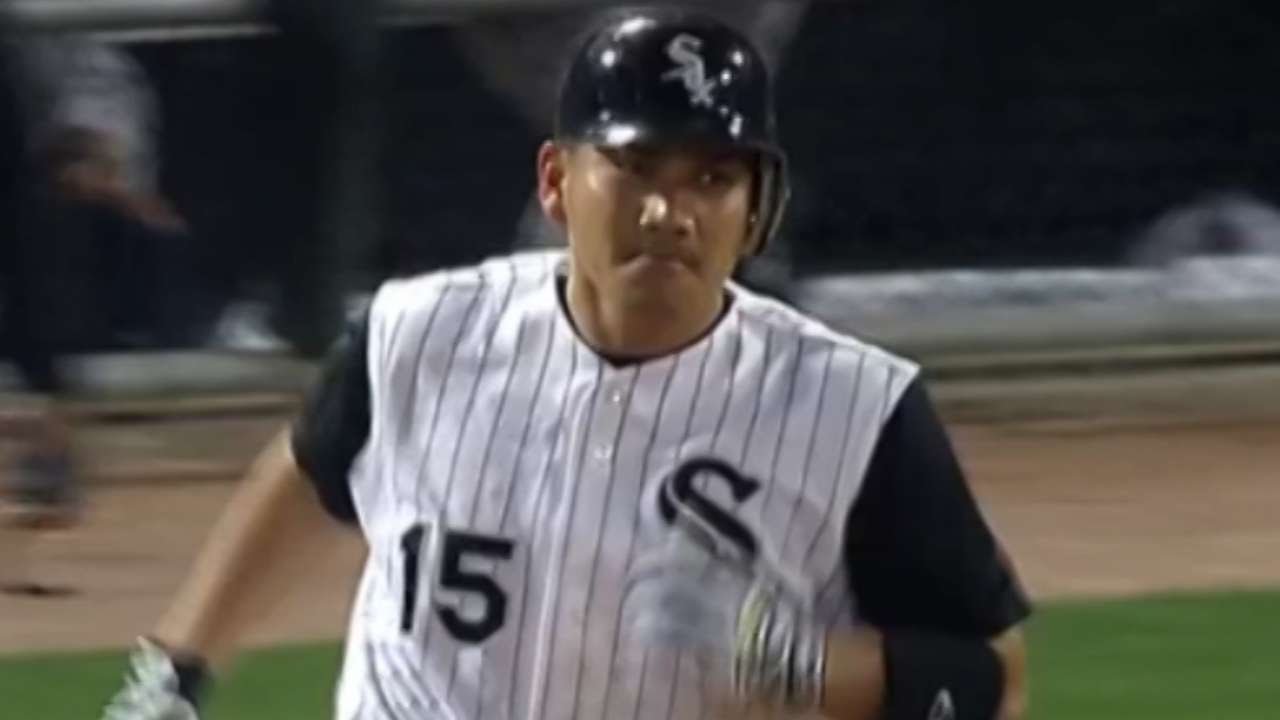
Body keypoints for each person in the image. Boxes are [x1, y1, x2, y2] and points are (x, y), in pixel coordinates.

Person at [99, 9, 1030, 720]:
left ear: (758, 210)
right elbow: (312, 470)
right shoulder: (418, 335)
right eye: (637, 167)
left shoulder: (854, 412)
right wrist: (176, 670)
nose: (670, 212)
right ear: (556, 181)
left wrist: (805, 667)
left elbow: (993, 679)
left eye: (712, 179)